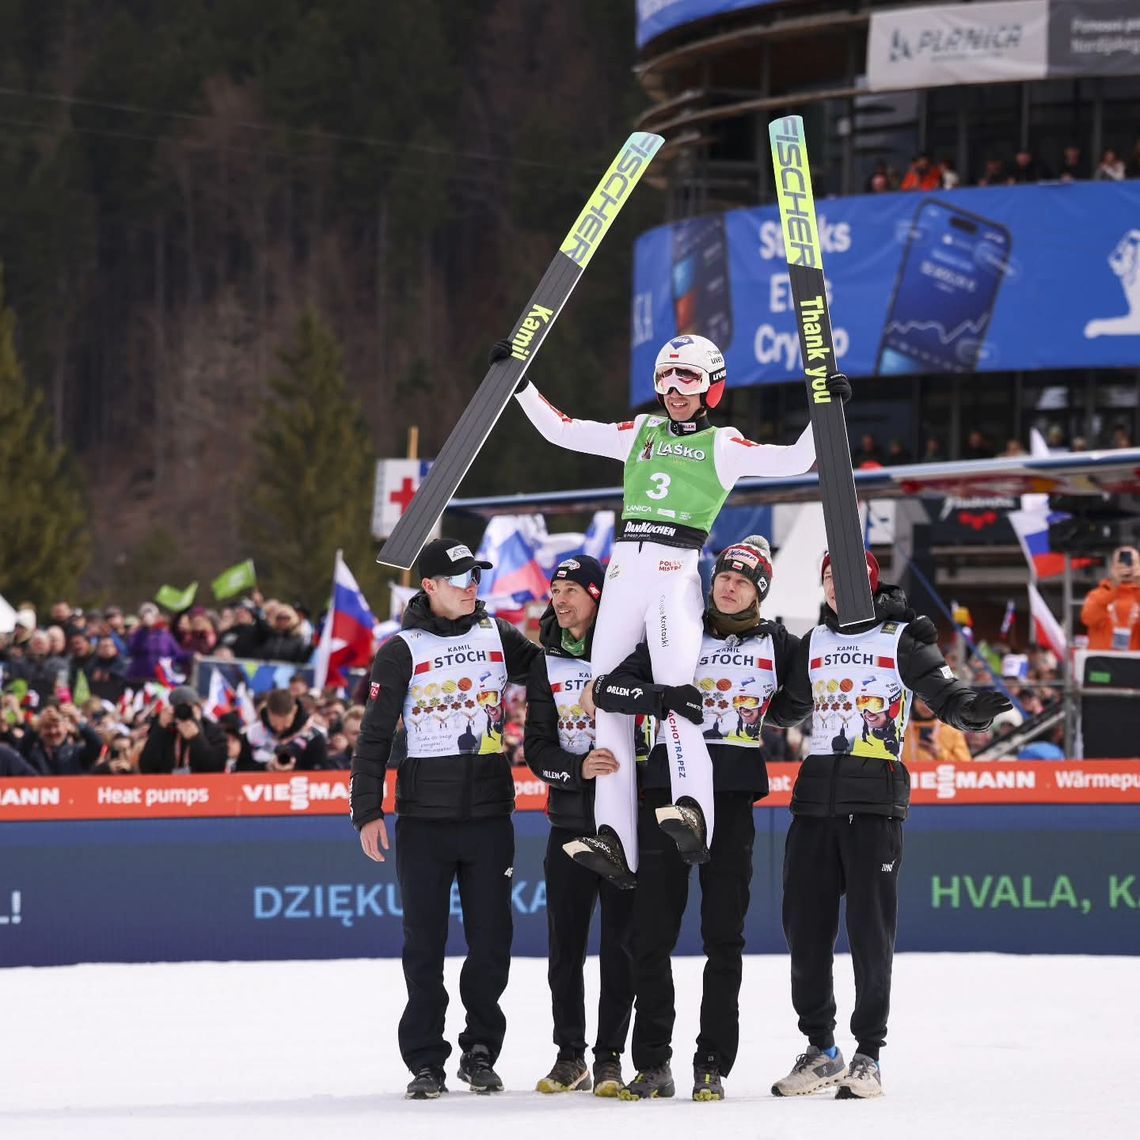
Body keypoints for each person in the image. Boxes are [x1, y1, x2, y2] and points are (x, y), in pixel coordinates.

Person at [494, 332, 832, 886]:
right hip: (625, 570)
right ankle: (614, 839)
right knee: (607, 700)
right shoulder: (640, 432)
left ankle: (694, 809)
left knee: (676, 695)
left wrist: (825, 404)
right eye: (665, 378)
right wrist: (520, 382)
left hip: (676, 573)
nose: (674, 390)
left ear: (711, 387)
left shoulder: (723, 444)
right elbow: (563, 429)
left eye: (688, 379)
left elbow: (798, 458)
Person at [765, 551, 1011, 1099]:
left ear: (868, 584)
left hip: (874, 800)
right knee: (803, 931)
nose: (834, 587)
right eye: (826, 578)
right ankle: (821, 1049)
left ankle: (868, 1054)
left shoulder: (901, 638)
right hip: (812, 802)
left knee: (870, 933)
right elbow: (784, 710)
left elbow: (946, 696)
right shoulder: (814, 642)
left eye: (844, 578)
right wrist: (767, 657)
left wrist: (971, 711)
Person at [591, 535, 798, 1102]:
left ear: (759, 592)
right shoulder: (676, 629)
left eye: (742, 581)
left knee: (723, 938)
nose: (728, 586)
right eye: (723, 576)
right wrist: (663, 698)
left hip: (729, 801)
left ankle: (712, 1062)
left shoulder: (778, 641)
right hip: (667, 794)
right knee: (651, 933)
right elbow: (607, 690)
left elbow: (807, 689)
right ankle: (653, 1062)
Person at [350, 538, 541, 1100]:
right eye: (459, 580)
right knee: (424, 944)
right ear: (429, 585)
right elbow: (373, 737)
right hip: (423, 820)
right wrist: (367, 811)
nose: (471, 587)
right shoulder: (400, 649)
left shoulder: (499, 635)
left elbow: (556, 666)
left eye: (476, 578)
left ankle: (480, 1051)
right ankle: (426, 1061)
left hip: (488, 817)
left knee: (491, 942)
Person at [523, 555, 634, 1098]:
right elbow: (535, 748)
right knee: (565, 947)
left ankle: (610, 1056)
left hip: (624, 825)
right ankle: (571, 1055)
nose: (560, 600)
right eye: (555, 591)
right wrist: (576, 768)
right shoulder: (547, 663)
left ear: (597, 597)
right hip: (568, 822)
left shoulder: (632, 656)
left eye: (571, 590)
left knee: (621, 945)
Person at [139, 685, 228, 774]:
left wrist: (196, 738)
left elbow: (216, 768)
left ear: (199, 709)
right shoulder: (165, 729)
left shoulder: (213, 731)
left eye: (190, 709)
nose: (185, 713)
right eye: (180, 708)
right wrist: (160, 729)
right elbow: (146, 767)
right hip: (168, 785)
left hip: (202, 785)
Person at [1080, 546, 1140, 651]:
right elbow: (1089, 619)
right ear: (1112, 568)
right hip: (1104, 664)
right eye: (1121, 562)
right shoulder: (1097, 595)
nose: (1127, 566)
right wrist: (1114, 585)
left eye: (1131, 562)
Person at [903, 697, 972, 762]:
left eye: (931, 702)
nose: (925, 706)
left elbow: (966, 766)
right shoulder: (902, 730)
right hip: (908, 774)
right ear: (912, 702)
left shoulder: (952, 732)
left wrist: (939, 753)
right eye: (921, 701)